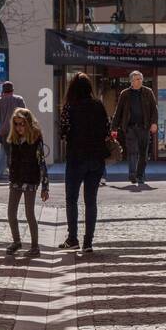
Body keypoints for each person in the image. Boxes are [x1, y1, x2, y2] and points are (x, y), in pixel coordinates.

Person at [59, 73, 111, 252]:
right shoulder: (98, 106)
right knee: (91, 201)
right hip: (96, 158)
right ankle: (88, 242)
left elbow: (63, 132)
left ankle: (72, 238)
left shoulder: (69, 107)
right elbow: (107, 129)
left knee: (71, 199)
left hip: (76, 158)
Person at [5, 109, 49, 256]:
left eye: (22, 124)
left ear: (28, 123)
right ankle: (17, 241)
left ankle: (35, 247)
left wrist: (45, 187)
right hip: (16, 179)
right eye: (16, 124)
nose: (19, 128)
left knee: (30, 214)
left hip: (30, 179)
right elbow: (11, 159)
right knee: (11, 212)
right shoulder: (14, 139)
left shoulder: (35, 139)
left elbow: (42, 163)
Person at [114, 70, 159, 188]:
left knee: (143, 153)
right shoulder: (125, 94)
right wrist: (114, 127)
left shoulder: (148, 92)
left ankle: (140, 175)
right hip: (130, 127)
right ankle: (132, 175)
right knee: (132, 151)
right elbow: (118, 111)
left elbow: (154, 109)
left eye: (140, 79)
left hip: (144, 127)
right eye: (137, 79)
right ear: (131, 81)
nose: (139, 81)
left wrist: (154, 123)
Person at [0, 80, 26, 180]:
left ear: (3, 91)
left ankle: (13, 175)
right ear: (12, 90)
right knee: (19, 152)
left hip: (5, 131)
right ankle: (20, 174)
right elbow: (25, 114)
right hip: (19, 131)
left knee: (9, 153)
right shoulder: (19, 99)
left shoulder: (0, 101)